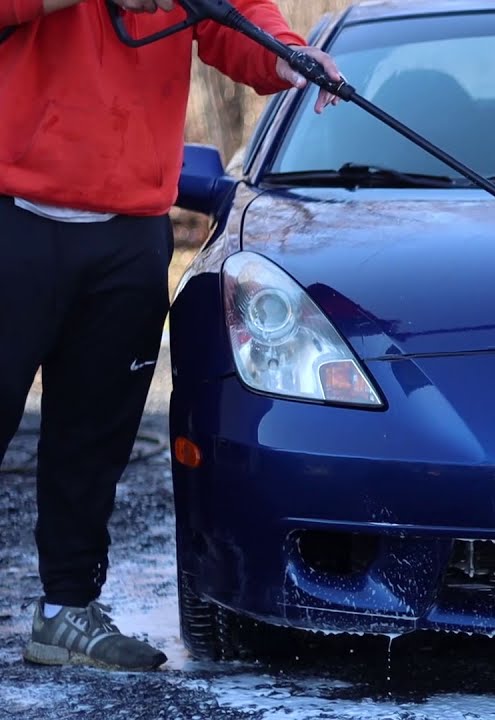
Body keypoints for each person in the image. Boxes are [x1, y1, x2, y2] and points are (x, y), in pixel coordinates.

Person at [0, 0, 343, 671]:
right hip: (14, 214)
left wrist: (283, 52)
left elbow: (233, 16)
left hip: (130, 227)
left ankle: (66, 612)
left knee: (95, 434)